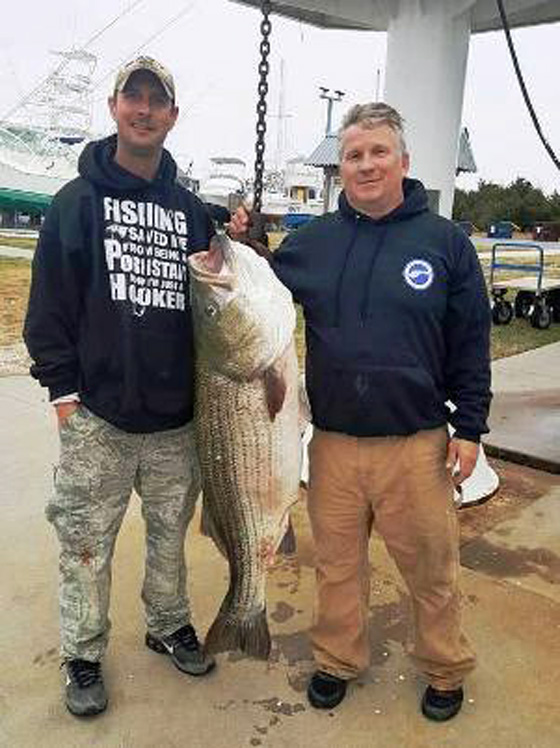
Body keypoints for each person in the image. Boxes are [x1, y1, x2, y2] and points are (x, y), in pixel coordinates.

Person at [228, 102, 491, 722]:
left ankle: (445, 666)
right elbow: (256, 288)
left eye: (378, 152)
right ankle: (337, 660)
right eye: (353, 155)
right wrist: (243, 243)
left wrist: (471, 428)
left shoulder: (445, 243)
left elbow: (472, 343)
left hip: (417, 443)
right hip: (335, 445)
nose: (366, 164)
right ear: (340, 167)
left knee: (431, 569)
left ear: (403, 161)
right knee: (338, 568)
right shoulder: (313, 243)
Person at [24, 56, 216, 717]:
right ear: (113, 108)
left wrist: (247, 238)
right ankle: (82, 653)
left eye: (155, 100)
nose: (142, 108)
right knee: (85, 541)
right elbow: (48, 305)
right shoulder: (76, 202)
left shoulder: (192, 212)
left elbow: (229, 291)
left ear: (171, 116)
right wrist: (64, 395)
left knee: (170, 537)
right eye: (131, 97)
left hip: (175, 422)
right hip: (98, 419)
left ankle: (168, 625)